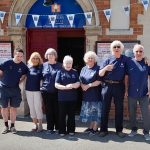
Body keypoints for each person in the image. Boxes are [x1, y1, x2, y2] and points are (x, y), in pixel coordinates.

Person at [99, 40, 129, 138]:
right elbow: (100, 74)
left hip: (119, 86)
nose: (116, 48)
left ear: (121, 49)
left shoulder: (125, 59)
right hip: (107, 86)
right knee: (105, 108)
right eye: (114, 47)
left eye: (118, 47)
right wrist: (105, 68)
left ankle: (119, 130)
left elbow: (136, 62)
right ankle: (103, 130)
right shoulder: (107, 58)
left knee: (119, 109)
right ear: (112, 48)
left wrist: (145, 58)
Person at [125, 44, 150, 141]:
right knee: (132, 112)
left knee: (146, 113)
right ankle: (134, 129)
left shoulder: (147, 62)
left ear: (143, 53)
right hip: (131, 93)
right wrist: (126, 90)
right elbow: (126, 77)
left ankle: (146, 131)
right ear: (133, 52)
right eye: (137, 51)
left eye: (141, 51)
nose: (139, 53)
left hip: (144, 93)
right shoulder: (129, 62)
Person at [0, 48, 28, 134]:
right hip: (4, 88)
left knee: (13, 108)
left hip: (15, 89)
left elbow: (25, 74)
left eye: (21, 56)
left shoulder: (23, 66)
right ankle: (5, 126)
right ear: (14, 54)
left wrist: (20, 81)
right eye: (18, 55)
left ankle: (12, 126)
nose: (19, 58)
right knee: (4, 107)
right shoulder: (7, 63)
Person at [55, 55, 80, 136]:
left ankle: (71, 130)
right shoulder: (60, 72)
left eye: (70, 63)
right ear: (64, 63)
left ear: (72, 63)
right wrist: (65, 87)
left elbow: (78, 83)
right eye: (67, 63)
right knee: (62, 115)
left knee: (71, 115)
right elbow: (56, 84)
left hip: (72, 98)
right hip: (62, 98)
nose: (68, 64)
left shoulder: (75, 72)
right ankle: (62, 131)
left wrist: (72, 85)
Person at [79, 51, 102, 136]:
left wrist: (88, 85)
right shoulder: (84, 68)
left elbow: (99, 81)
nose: (90, 59)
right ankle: (91, 126)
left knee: (96, 111)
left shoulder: (98, 68)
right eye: (89, 58)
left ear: (95, 59)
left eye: (92, 58)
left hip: (95, 94)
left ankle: (95, 128)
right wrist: (82, 86)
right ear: (86, 59)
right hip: (86, 94)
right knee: (90, 112)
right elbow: (80, 79)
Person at [40, 48, 62, 134]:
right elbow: (40, 77)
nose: (51, 56)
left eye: (52, 54)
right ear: (46, 56)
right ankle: (50, 128)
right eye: (49, 54)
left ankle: (58, 128)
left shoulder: (60, 65)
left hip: (57, 91)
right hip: (46, 91)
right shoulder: (43, 65)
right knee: (48, 110)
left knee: (57, 110)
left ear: (55, 56)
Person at [25, 52, 43, 132]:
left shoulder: (41, 67)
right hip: (28, 90)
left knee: (38, 107)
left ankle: (40, 125)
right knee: (31, 108)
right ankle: (35, 124)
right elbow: (22, 76)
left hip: (37, 91)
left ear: (39, 59)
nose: (35, 59)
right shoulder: (28, 67)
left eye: (37, 58)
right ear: (31, 59)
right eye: (34, 58)